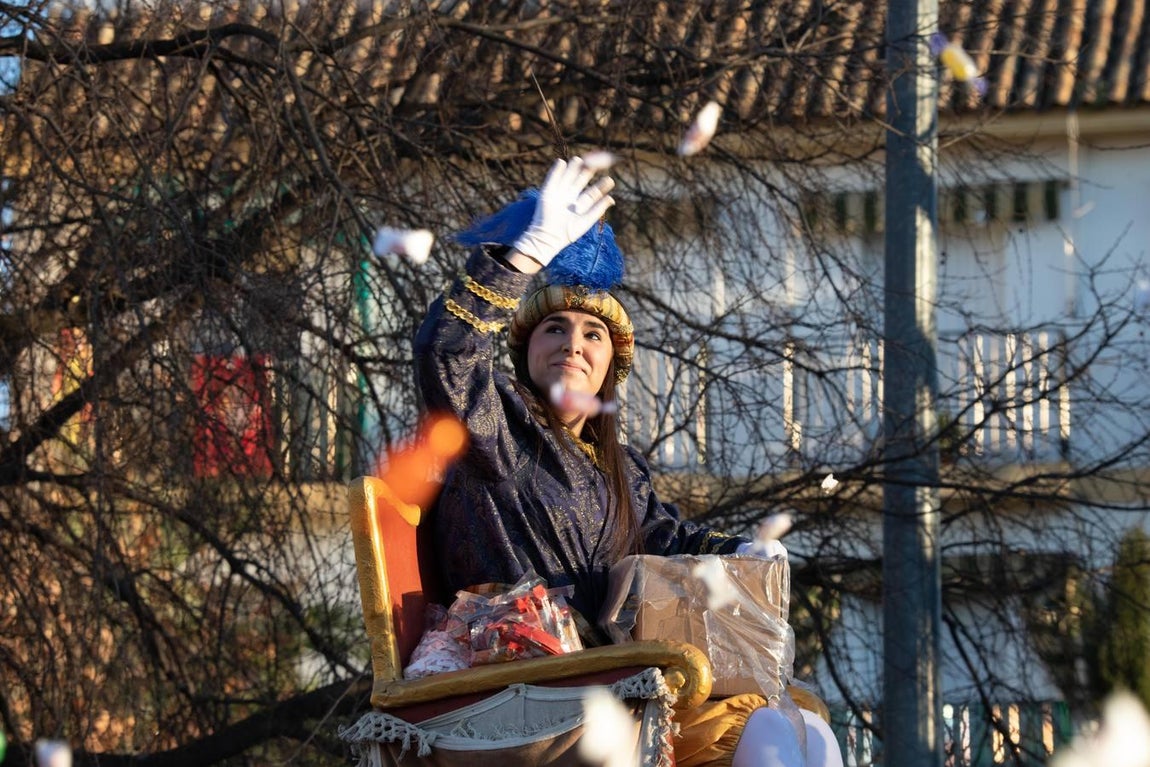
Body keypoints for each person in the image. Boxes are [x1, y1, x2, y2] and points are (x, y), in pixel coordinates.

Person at [413, 156, 843, 767]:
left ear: (610, 363)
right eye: (554, 329)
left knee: (805, 729)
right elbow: (445, 354)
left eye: (593, 334)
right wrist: (519, 260)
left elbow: (666, 537)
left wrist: (742, 552)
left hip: (614, 678)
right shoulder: (496, 430)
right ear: (526, 351)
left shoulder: (620, 467)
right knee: (770, 737)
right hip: (533, 688)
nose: (573, 343)